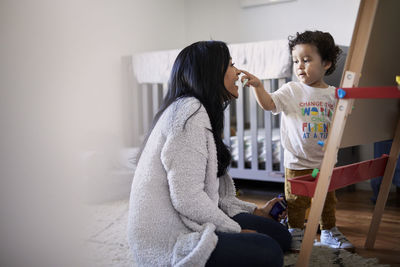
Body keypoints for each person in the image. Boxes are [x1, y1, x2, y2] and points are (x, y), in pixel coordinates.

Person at [128, 40, 291, 267]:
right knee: (269, 251)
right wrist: (235, 230)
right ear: (212, 72)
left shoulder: (199, 110)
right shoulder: (188, 113)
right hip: (170, 235)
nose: (237, 73)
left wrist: (256, 211)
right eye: (231, 65)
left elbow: (214, 196)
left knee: (282, 236)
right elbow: (187, 199)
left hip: (190, 215)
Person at [240, 31, 354, 252]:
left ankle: (329, 230)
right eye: (295, 61)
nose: (299, 66)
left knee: (327, 200)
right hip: (298, 163)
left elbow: (345, 119)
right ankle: (296, 231)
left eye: (307, 59)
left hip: (324, 163)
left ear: (327, 63)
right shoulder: (292, 90)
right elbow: (269, 104)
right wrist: (258, 87)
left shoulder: (333, 94)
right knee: (296, 201)